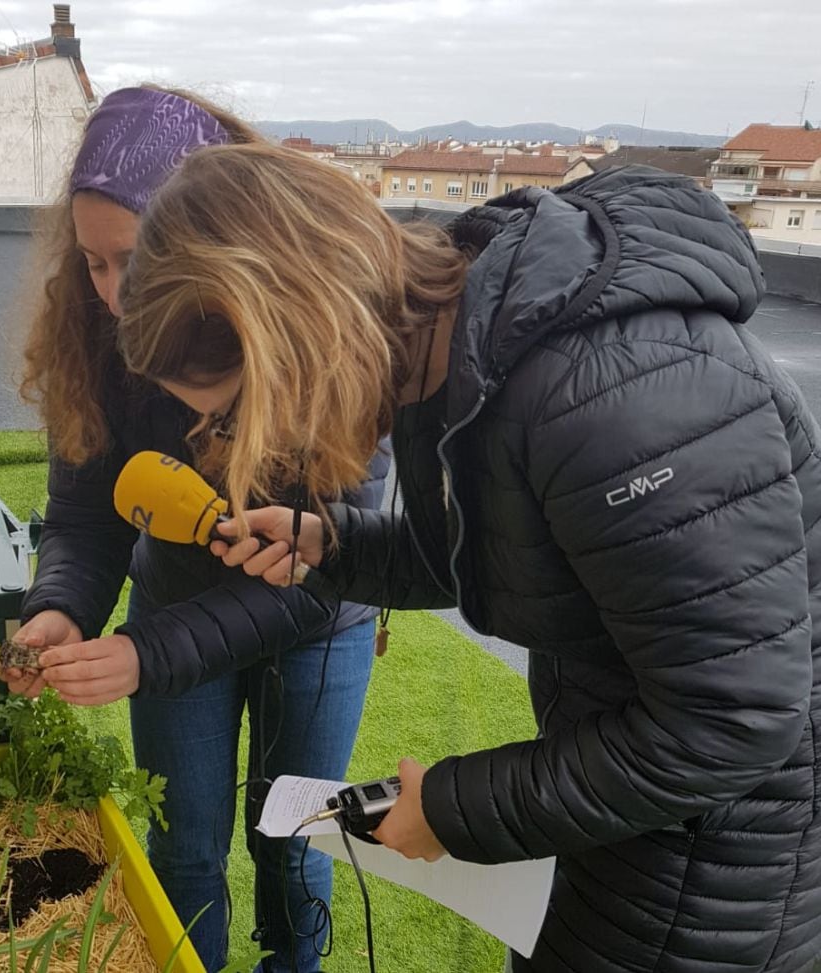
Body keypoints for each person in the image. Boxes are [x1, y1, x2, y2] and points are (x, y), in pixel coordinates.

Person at [112, 142, 821, 973]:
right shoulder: (446, 352)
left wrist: (452, 809)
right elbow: (500, 558)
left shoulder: (615, 393)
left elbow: (730, 721)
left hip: (719, 872)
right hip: (628, 809)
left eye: (235, 414)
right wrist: (330, 548)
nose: (242, 447)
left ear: (303, 336)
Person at [7, 90, 385, 973]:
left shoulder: (327, 336)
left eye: (131, 263)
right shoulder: (94, 338)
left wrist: (145, 652)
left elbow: (334, 563)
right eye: (92, 263)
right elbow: (84, 515)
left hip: (315, 629)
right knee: (183, 854)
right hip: (173, 613)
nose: (111, 298)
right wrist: (61, 602)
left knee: (294, 839)